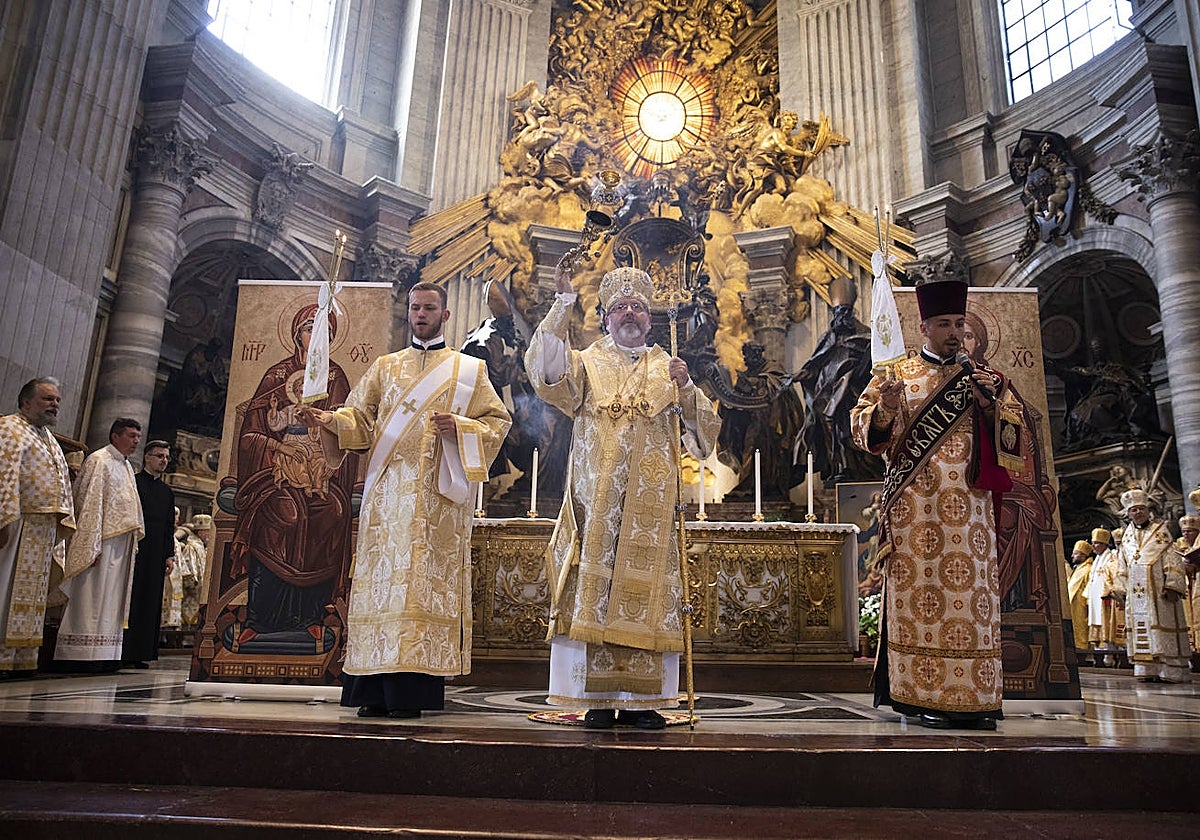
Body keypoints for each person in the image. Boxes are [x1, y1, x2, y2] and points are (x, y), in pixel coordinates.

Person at [299, 282, 510, 718]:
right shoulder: (385, 366)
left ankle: (414, 691)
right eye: (415, 307)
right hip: (388, 496)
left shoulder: (468, 370)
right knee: (382, 589)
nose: (420, 314)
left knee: (421, 589)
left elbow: (497, 421)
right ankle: (373, 691)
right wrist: (330, 420)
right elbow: (359, 418)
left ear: (445, 315)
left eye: (429, 307)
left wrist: (462, 428)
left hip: (438, 500)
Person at [526, 263, 721, 729]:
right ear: (606, 318)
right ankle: (593, 700)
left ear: (649, 318)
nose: (629, 314)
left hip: (650, 515)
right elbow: (544, 368)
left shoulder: (668, 366)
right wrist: (562, 303)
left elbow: (703, 437)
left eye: (637, 307)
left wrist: (688, 386)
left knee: (648, 595)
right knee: (593, 589)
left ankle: (644, 701)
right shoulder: (587, 362)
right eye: (619, 308)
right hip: (595, 508)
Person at [850, 278, 1022, 730]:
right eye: (944, 323)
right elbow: (863, 432)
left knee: (973, 601)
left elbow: (1016, 445)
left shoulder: (985, 379)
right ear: (923, 326)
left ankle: (979, 696)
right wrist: (884, 409)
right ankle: (922, 695)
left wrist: (992, 407)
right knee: (923, 601)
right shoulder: (894, 376)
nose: (954, 332)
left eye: (959, 324)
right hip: (916, 510)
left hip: (972, 513)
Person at [227, 304, 357, 655]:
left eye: (326, 334)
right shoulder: (275, 375)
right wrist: (279, 449)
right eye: (310, 330)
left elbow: (349, 430)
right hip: (274, 471)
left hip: (319, 469)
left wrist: (325, 435)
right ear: (296, 333)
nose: (317, 338)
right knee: (287, 515)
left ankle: (312, 615)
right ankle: (258, 619)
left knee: (332, 512)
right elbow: (251, 434)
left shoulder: (336, 377)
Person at [55, 418, 145, 671]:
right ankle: (79, 654)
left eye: (137, 436)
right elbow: (89, 503)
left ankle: (105, 653)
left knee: (111, 601)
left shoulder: (126, 466)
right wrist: (89, 541)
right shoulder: (99, 460)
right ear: (115, 436)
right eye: (131, 436)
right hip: (101, 540)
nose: (136, 441)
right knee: (91, 595)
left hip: (121, 542)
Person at [0, 377, 75, 677]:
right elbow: (4, 474)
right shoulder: (9, 428)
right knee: (6, 586)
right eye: (47, 399)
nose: (54, 405)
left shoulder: (48, 437)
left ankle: (22, 657)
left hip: (42, 526)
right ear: (26, 401)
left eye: (56, 400)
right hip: (18, 520)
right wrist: (2, 517)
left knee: (32, 594)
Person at [1110, 489, 1191, 683]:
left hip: (1159, 592)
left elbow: (1172, 559)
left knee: (1163, 628)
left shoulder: (1161, 532)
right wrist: (1120, 590)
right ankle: (1147, 668)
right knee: (1142, 629)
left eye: (1141, 509)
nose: (1138, 513)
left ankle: (1170, 671)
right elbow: (1122, 565)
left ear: (1148, 510)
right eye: (1133, 510)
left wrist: (1172, 585)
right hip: (1136, 593)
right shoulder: (1127, 537)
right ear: (1128, 513)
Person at [122, 440, 175, 668]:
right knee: (131, 599)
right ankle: (124, 650)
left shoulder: (167, 492)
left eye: (166, 457)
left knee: (150, 601)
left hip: (156, 554)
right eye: (159, 456)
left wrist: (169, 555)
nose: (163, 460)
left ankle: (142, 652)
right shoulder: (133, 484)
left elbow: (168, 526)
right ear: (147, 457)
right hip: (135, 549)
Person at [1084, 527, 1120, 666]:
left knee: (1108, 626)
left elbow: (1113, 575)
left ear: (1105, 544)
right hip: (1095, 600)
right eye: (1093, 543)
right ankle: (1100, 656)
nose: (1093, 546)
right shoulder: (1096, 559)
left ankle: (1110, 657)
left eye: (1097, 543)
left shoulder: (1111, 557)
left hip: (1106, 599)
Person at [1065, 540, 1093, 660]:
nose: (1072, 556)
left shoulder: (1088, 569)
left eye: (1075, 553)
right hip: (1074, 607)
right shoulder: (1077, 569)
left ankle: (1083, 655)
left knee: (1082, 630)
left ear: (1083, 555)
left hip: (1082, 606)